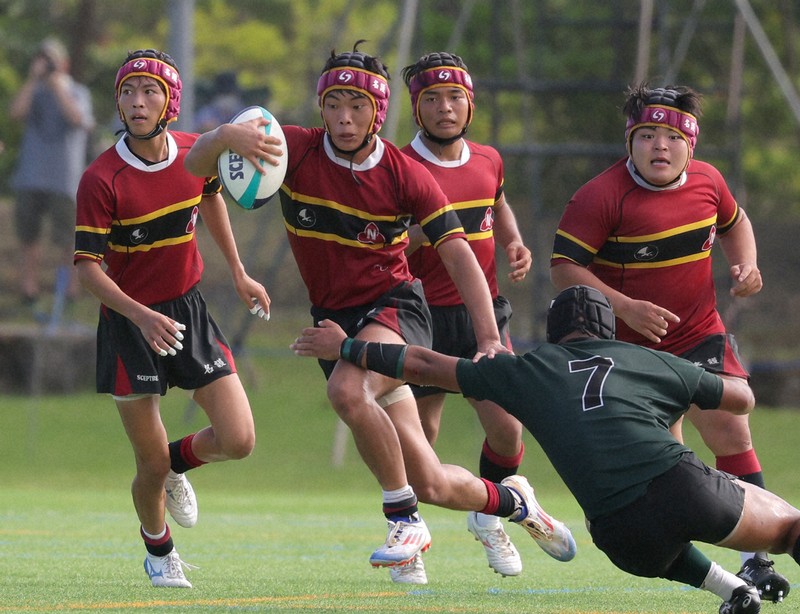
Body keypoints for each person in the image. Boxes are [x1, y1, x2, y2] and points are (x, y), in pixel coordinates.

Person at [184, 41, 576, 582]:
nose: (345, 118)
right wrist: (224, 135)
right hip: (338, 315)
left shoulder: (403, 172)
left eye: (358, 106)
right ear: (320, 107)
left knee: (346, 391)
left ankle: (402, 521)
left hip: (397, 307)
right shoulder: (293, 150)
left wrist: (489, 336)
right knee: (430, 477)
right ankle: (515, 506)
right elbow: (194, 163)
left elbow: (458, 251)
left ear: (379, 110)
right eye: (334, 105)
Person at [291, 284, 800, 614]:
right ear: (608, 329)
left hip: (618, 535)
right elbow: (741, 399)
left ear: (555, 333)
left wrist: (348, 348)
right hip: (685, 491)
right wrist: (688, 380)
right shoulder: (646, 358)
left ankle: (733, 593)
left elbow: (423, 365)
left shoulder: (529, 369)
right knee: (791, 528)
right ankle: (742, 582)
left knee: (650, 540)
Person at [549, 83, 788, 602]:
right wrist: (625, 307)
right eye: (648, 135)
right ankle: (720, 583)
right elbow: (564, 269)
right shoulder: (600, 195)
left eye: (673, 136)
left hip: (699, 332)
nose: (660, 145)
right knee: (669, 467)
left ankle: (758, 563)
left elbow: (736, 223)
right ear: (629, 142)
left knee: (731, 431)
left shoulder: (708, 181)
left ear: (691, 145)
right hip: (631, 352)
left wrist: (745, 264)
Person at [74, 49, 271, 589]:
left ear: (170, 102)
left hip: (188, 310)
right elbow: (87, 271)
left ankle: (179, 462)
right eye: (128, 92)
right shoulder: (101, 177)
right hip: (128, 322)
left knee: (239, 439)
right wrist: (139, 317)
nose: (137, 103)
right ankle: (158, 551)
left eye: (150, 92)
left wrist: (238, 271)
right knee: (148, 466)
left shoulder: (192, 153)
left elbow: (210, 199)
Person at [398, 52, 532, 580]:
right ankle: (404, 536)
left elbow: (496, 202)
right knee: (419, 435)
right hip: (423, 315)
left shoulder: (488, 159)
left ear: (469, 104)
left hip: (483, 316)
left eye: (454, 97)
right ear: (416, 107)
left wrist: (515, 240)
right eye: (431, 98)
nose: (444, 108)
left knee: (508, 429)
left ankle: (487, 512)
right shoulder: (398, 165)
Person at [10, 37, 94, 309]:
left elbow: (78, 119)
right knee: (28, 235)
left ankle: (69, 290)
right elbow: (16, 113)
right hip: (31, 177)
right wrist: (34, 81)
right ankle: (29, 289)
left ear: (65, 64)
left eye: (52, 60)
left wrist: (59, 87)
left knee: (69, 238)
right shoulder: (34, 92)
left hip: (64, 180)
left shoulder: (78, 92)